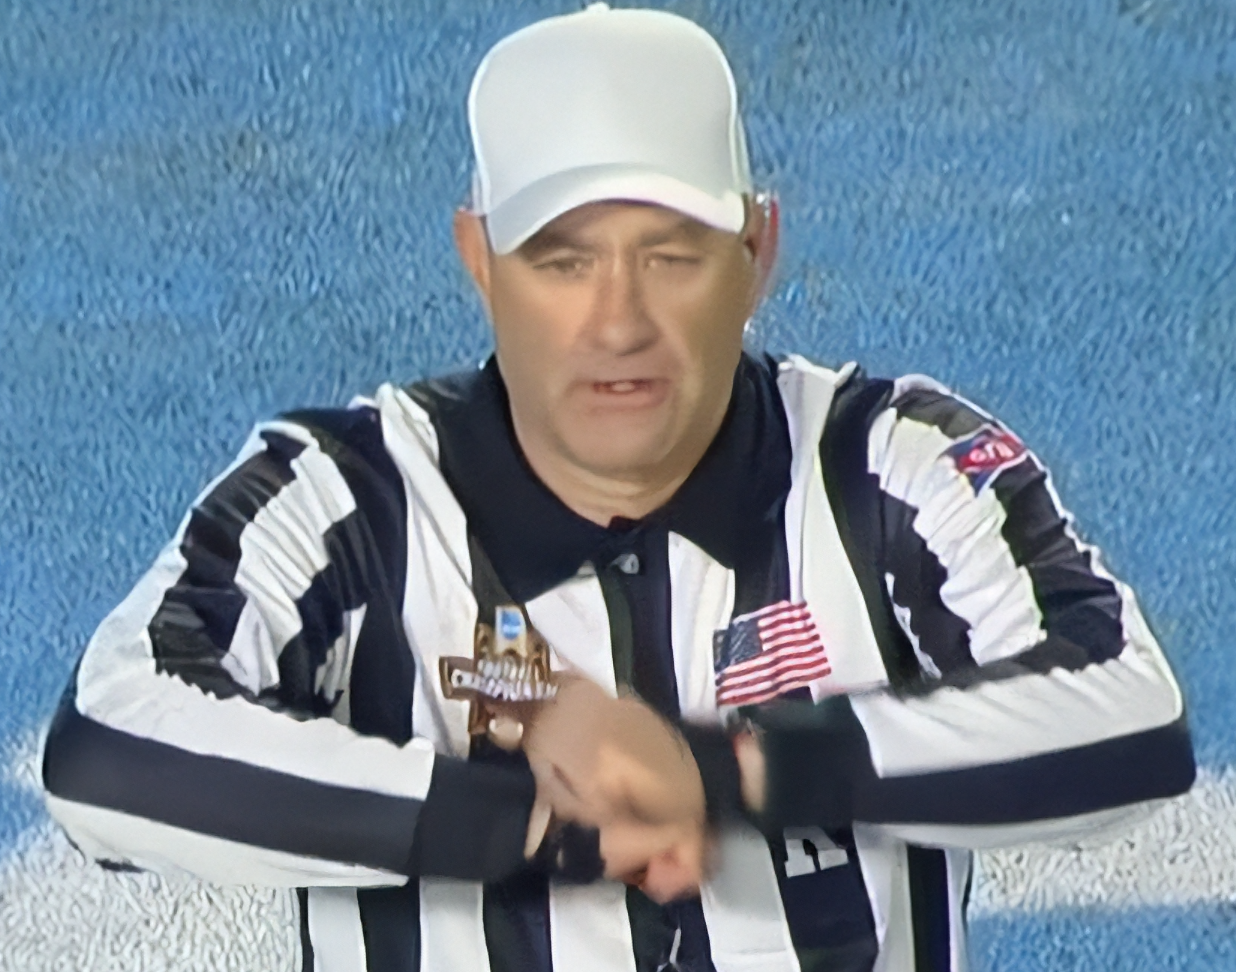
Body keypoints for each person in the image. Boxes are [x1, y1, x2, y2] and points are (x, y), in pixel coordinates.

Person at [41, 5, 1194, 972]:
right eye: (563, 259)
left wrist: (732, 771)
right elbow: (105, 751)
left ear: (758, 250)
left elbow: (1131, 717)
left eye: (671, 256)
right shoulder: (348, 499)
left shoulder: (888, 461)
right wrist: (539, 823)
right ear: (479, 259)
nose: (618, 321)